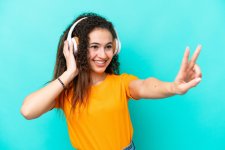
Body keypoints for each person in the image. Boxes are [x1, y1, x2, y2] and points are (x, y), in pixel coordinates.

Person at [20, 12, 202, 150]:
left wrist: (172, 87)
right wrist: (70, 72)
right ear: (76, 48)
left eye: (108, 47)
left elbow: (145, 85)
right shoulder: (65, 91)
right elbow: (28, 110)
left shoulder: (121, 83)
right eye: (94, 47)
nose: (103, 54)